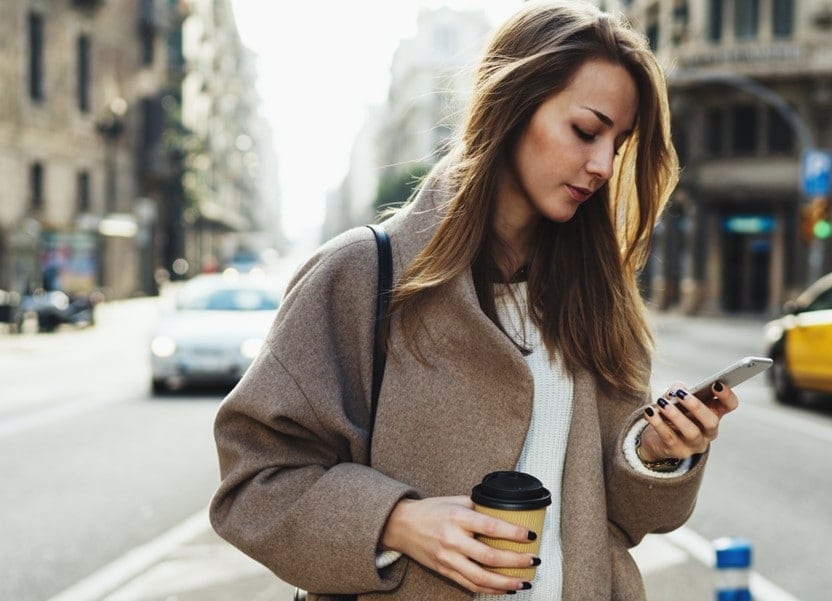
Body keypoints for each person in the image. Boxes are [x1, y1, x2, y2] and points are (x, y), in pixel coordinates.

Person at [209, 2, 744, 599]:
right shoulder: (363, 274)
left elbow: (623, 519)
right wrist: (395, 521)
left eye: (617, 145)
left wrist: (655, 454)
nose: (600, 166)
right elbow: (255, 483)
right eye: (586, 131)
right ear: (512, 106)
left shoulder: (596, 294)